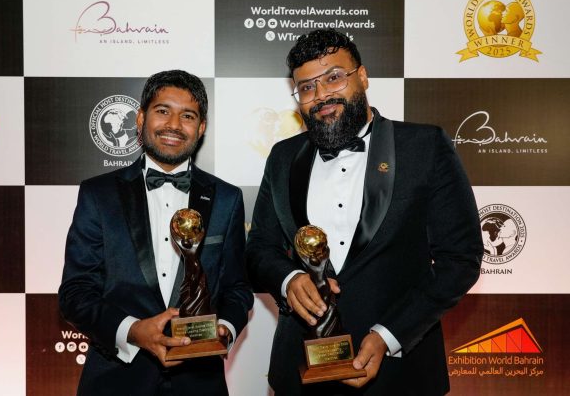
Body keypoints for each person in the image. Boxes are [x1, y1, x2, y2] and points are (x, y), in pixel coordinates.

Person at [245, 29, 483, 395]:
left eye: (334, 78)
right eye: (307, 87)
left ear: (363, 76)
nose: (321, 95)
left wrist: (388, 335)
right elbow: (260, 247)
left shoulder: (424, 146)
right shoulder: (282, 157)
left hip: (400, 373)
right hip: (300, 371)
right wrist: (288, 278)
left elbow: (460, 259)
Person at [59, 70, 253, 396]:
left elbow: (237, 288)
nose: (174, 125)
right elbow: (75, 294)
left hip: (199, 383)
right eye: (163, 111)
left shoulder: (227, 198)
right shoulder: (98, 194)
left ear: (201, 128)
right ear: (140, 118)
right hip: (115, 381)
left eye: (187, 116)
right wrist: (133, 331)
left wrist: (224, 329)